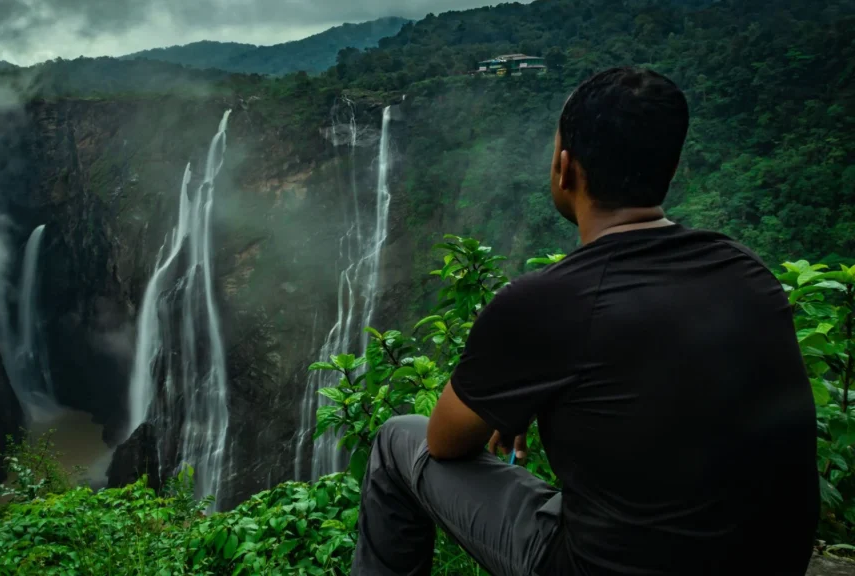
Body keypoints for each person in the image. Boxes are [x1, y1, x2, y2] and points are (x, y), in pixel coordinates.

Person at [351, 67, 820, 576]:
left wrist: (517, 400)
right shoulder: (749, 272)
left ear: (565, 168)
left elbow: (444, 442)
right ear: (673, 167)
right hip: (771, 562)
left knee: (400, 437)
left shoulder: (545, 302)